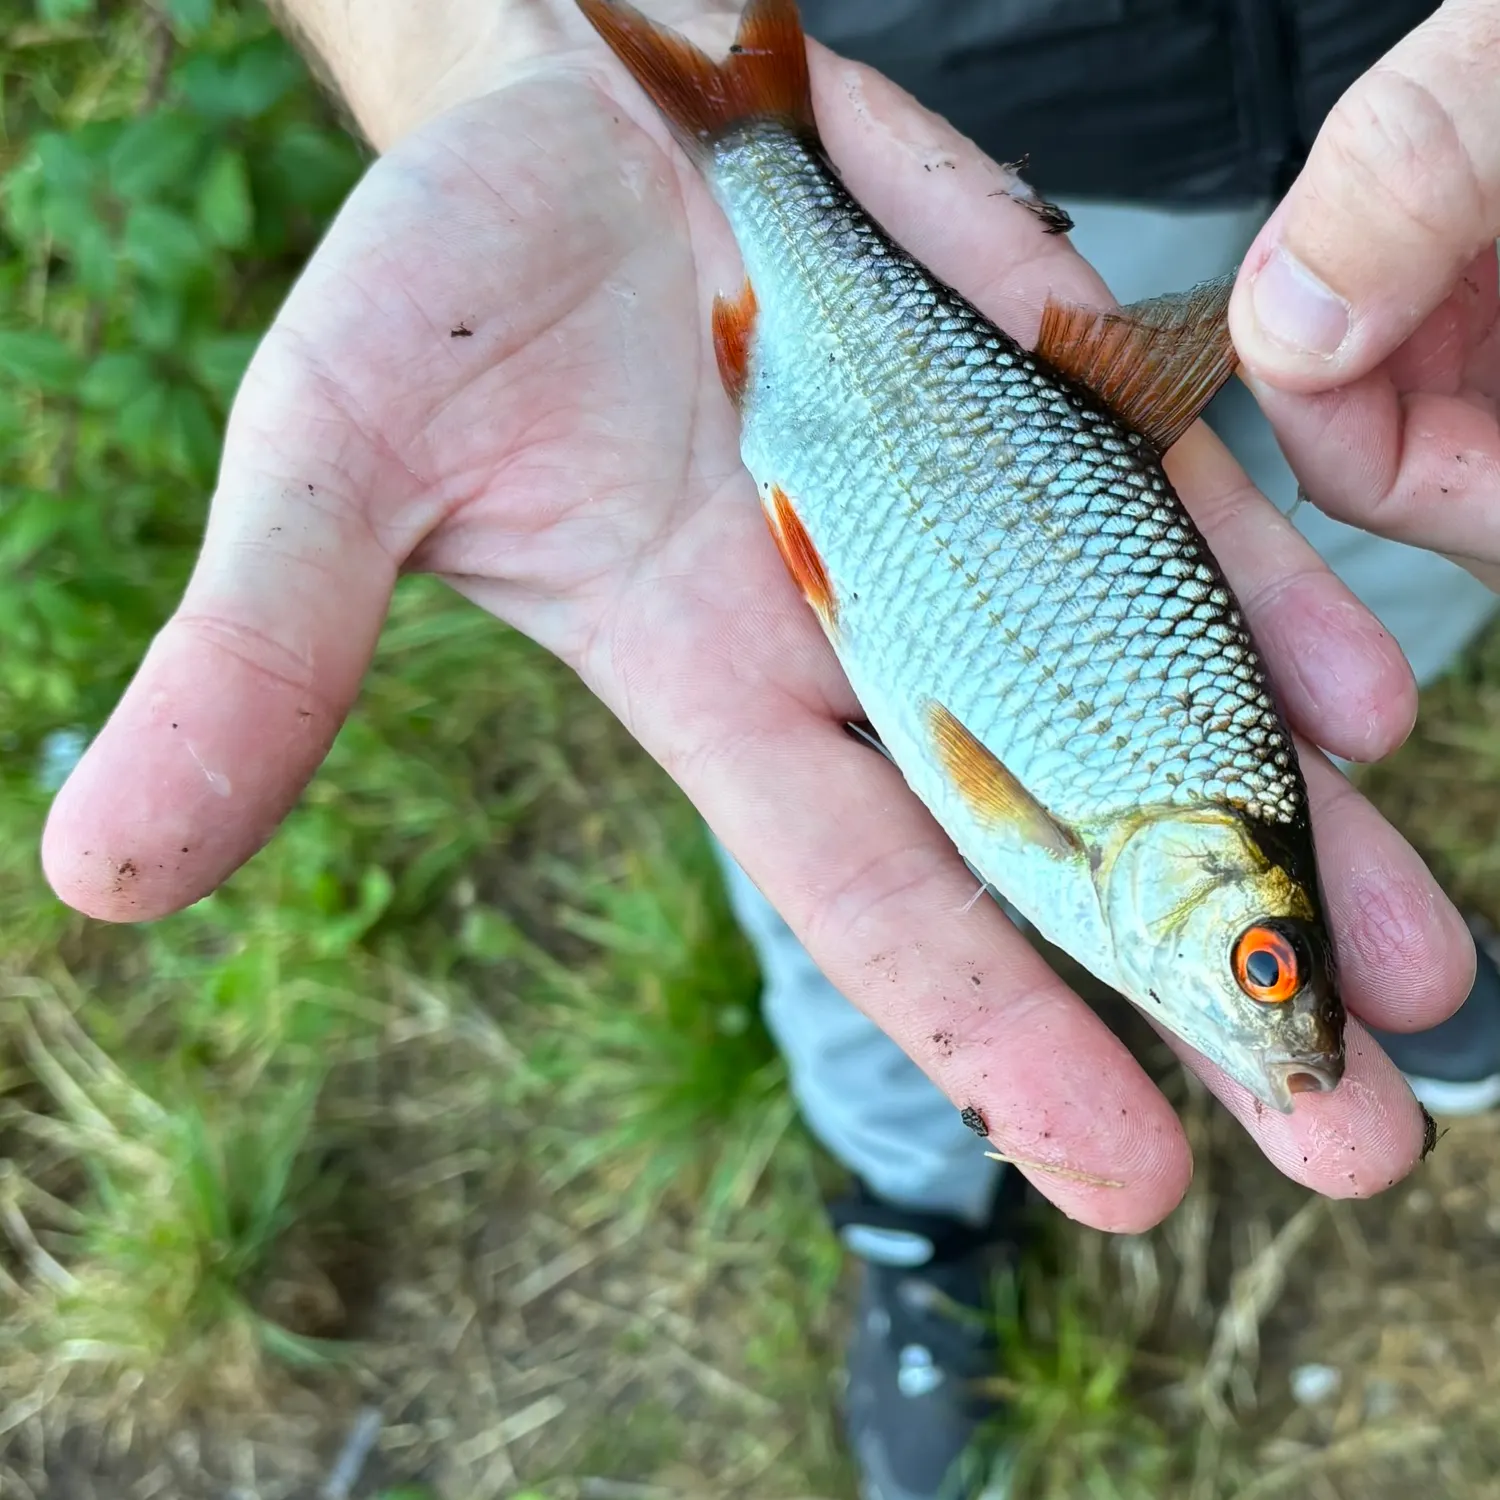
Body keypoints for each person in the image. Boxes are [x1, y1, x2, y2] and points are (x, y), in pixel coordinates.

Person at [35, 1, 1500, 1497]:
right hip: (992, 130)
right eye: (1264, 964)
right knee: (856, 829)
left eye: (1276, 965)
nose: (1270, 994)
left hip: (1450, 204)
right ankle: (922, 1207)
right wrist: (486, 41)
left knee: (1361, 612)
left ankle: (1376, 958)